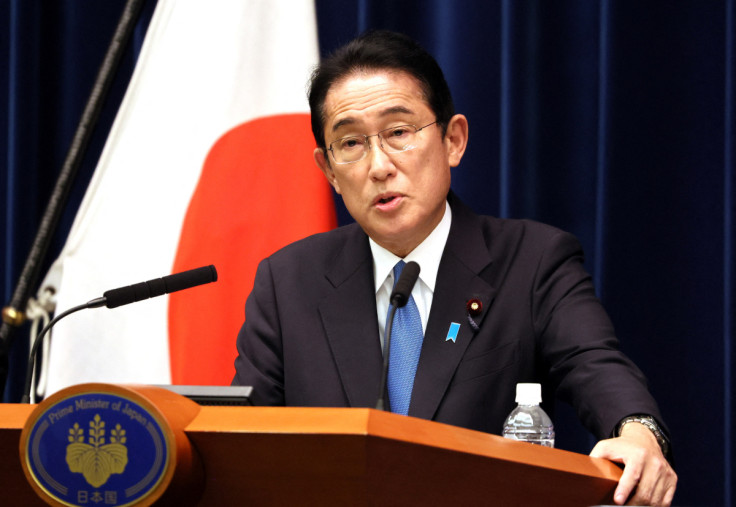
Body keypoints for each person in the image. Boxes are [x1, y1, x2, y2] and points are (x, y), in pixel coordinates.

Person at [232, 29, 677, 505]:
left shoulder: (532, 261)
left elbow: (594, 364)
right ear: (329, 172)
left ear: (453, 141)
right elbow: (241, 442)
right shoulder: (288, 282)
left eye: (399, 133)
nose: (378, 165)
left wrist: (638, 431)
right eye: (352, 143)